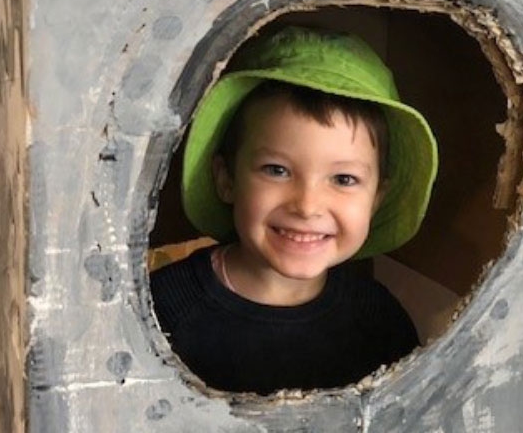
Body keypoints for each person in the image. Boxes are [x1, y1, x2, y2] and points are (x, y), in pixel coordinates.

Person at [150, 25, 438, 395]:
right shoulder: (161, 309)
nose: (307, 205)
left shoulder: (379, 320)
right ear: (227, 179)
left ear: (377, 198)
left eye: (344, 179)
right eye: (277, 170)